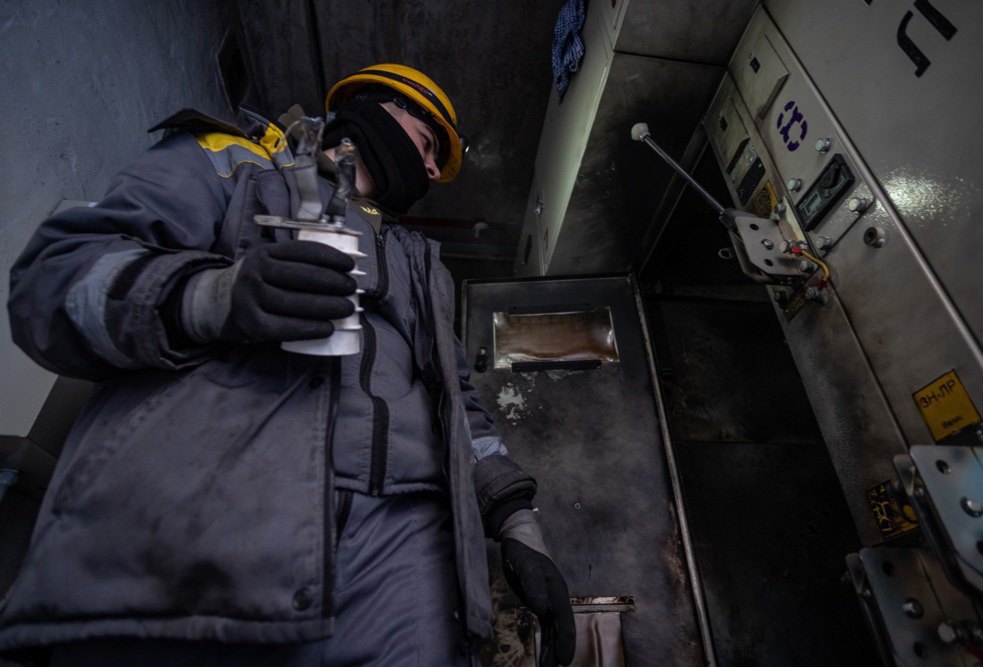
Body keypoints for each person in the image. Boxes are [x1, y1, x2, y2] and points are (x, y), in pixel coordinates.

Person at [1, 64, 576, 666]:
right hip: (207, 515)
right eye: (429, 145)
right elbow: (55, 279)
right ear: (377, 108)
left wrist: (517, 523)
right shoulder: (235, 164)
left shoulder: (420, 263)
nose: (432, 172)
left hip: (404, 559)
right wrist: (211, 298)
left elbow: (459, 405)